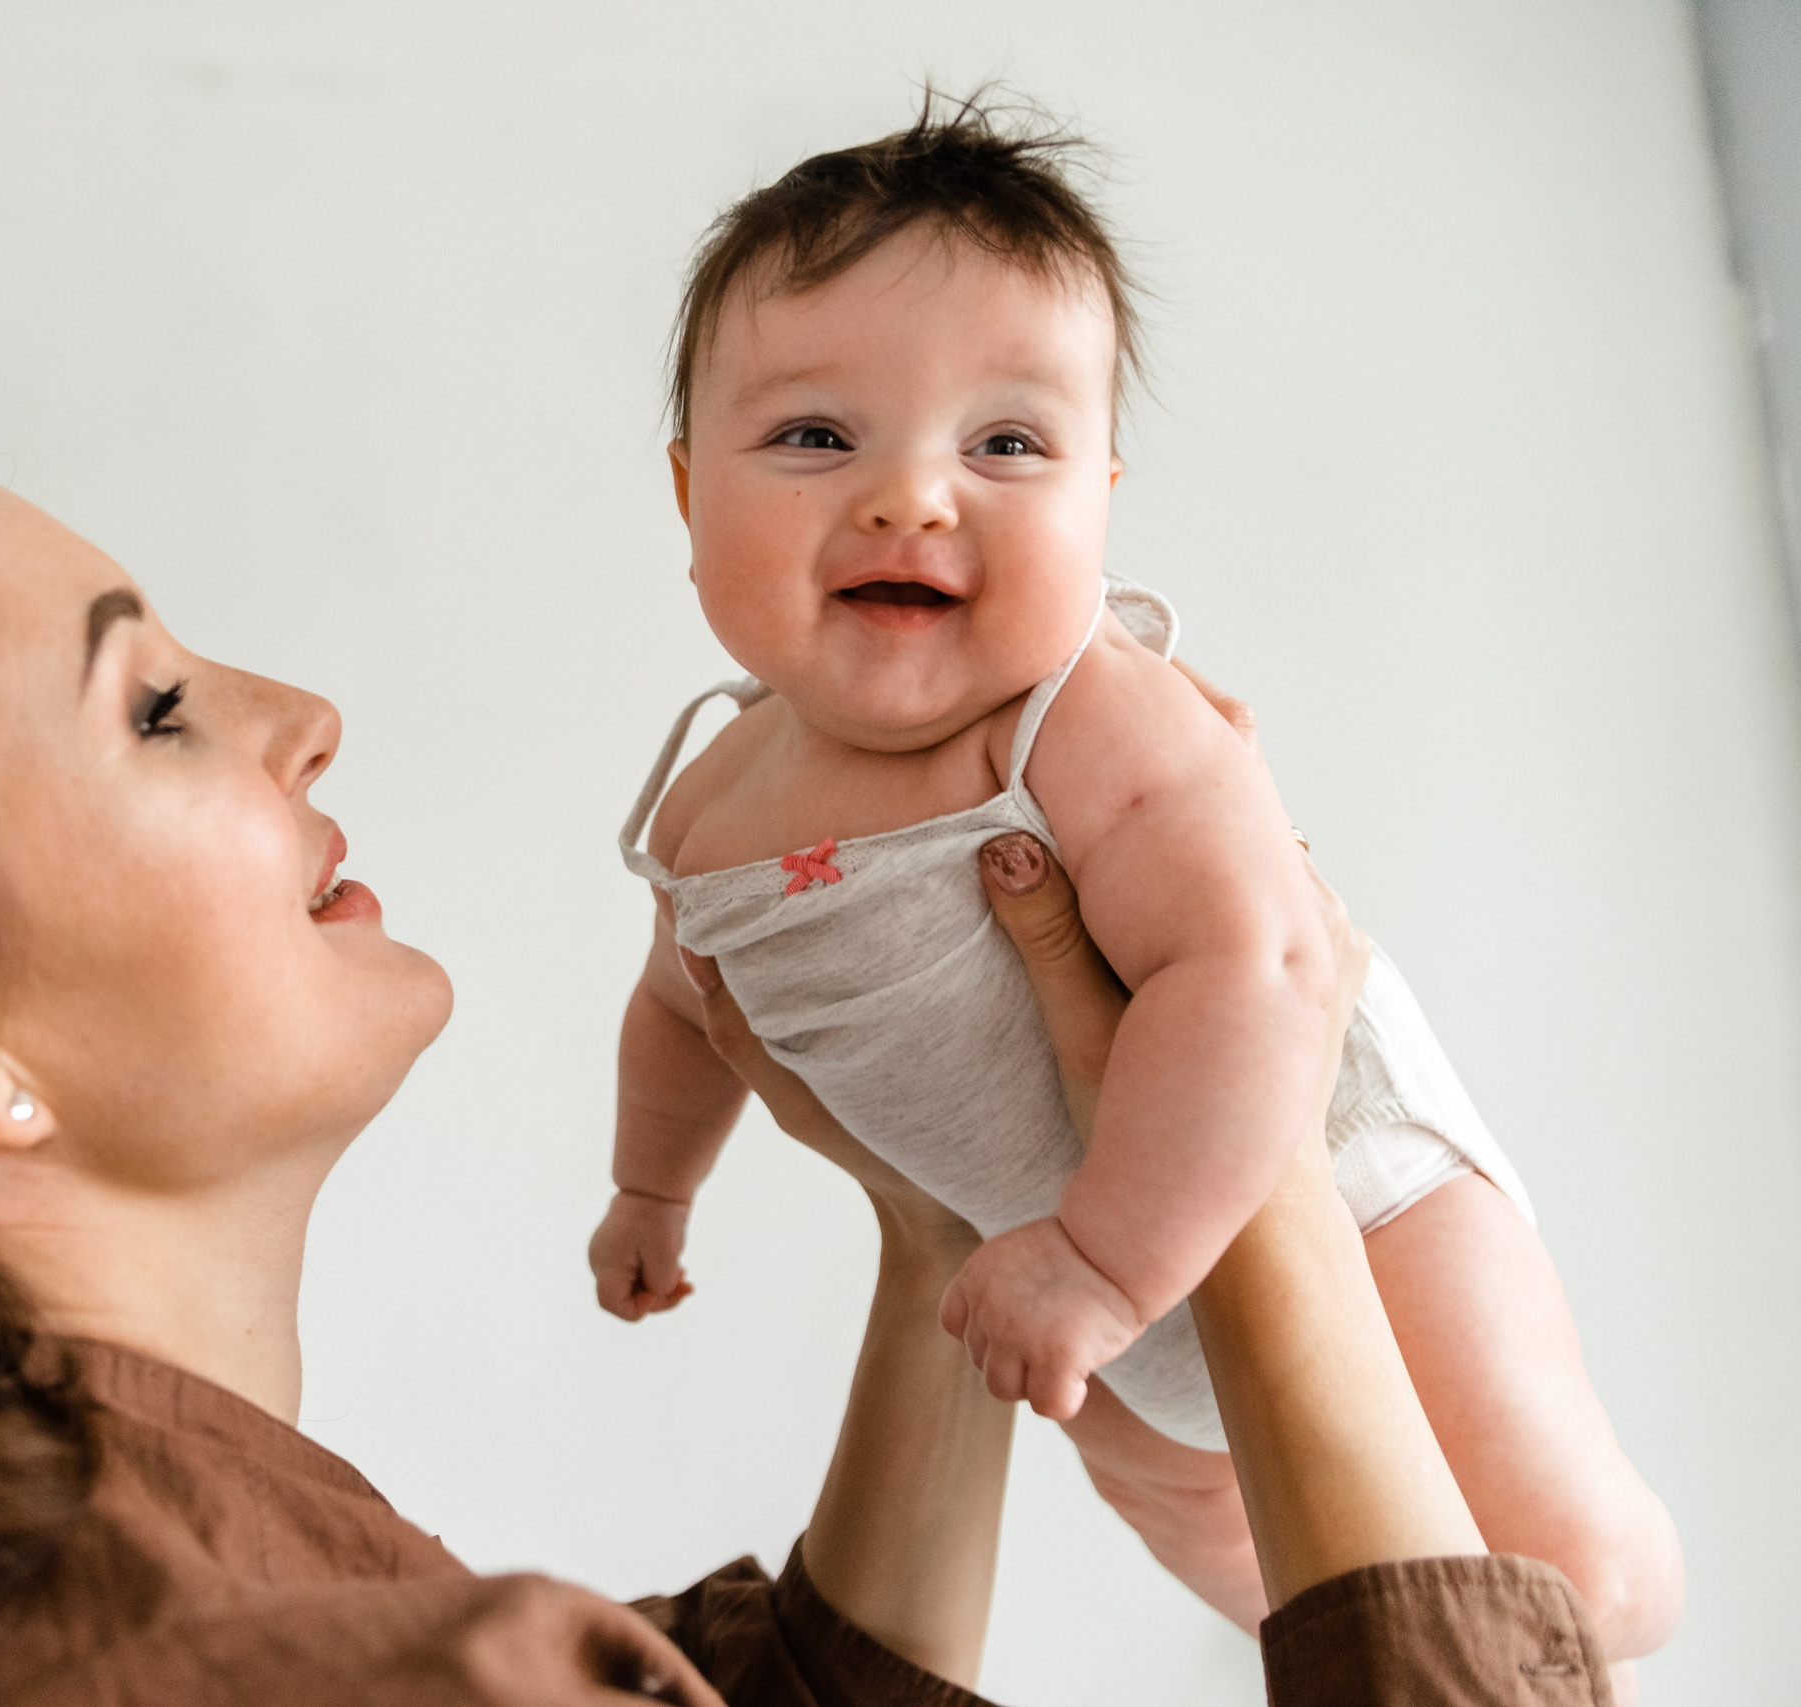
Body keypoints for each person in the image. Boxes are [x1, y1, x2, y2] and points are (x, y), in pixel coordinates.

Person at [0, 419, 1612, 1706]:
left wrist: (939, 1208)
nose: (299, 715)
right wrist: (1252, 1092)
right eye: (154, 701)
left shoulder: (65, 1586)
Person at [587, 92, 1679, 1666]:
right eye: (816, 437)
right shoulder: (708, 803)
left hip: (1336, 1205)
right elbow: (679, 1010)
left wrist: (1105, 1259)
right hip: (1060, 1278)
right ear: (692, 498)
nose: (910, 494)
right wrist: (651, 1186)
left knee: (1558, 1573)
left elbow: (1261, 970)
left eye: (1007, 444)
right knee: (1239, 1559)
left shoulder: (1086, 719)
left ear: (1101, 501)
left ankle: (1616, 1601)